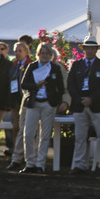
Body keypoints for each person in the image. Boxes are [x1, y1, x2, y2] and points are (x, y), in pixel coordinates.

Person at [68, 37, 100, 175]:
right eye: (87, 48)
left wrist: (91, 99)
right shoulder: (76, 65)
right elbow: (71, 84)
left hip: (97, 105)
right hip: (80, 105)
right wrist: (80, 99)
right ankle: (80, 164)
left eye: (92, 48)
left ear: (96, 49)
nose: (90, 50)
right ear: (84, 49)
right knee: (80, 137)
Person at [19, 43, 65, 173]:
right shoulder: (32, 66)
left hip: (48, 104)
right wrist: (36, 85)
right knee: (28, 134)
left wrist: (54, 101)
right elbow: (23, 84)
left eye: (47, 53)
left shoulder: (55, 68)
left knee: (44, 135)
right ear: (38, 54)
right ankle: (30, 163)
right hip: (34, 103)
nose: (45, 55)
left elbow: (61, 88)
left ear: (51, 55)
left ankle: (41, 164)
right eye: (42, 53)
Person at [6, 41, 32, 171]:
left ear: (26, 52)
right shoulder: (14, 65)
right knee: (16, 128)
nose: (17, 53)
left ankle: (25, 156)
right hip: (15, 102)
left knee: (26, 130)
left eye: (20, 51)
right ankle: (18, 154)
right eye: (15, 51)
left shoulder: (31, 65)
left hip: (28, 102)